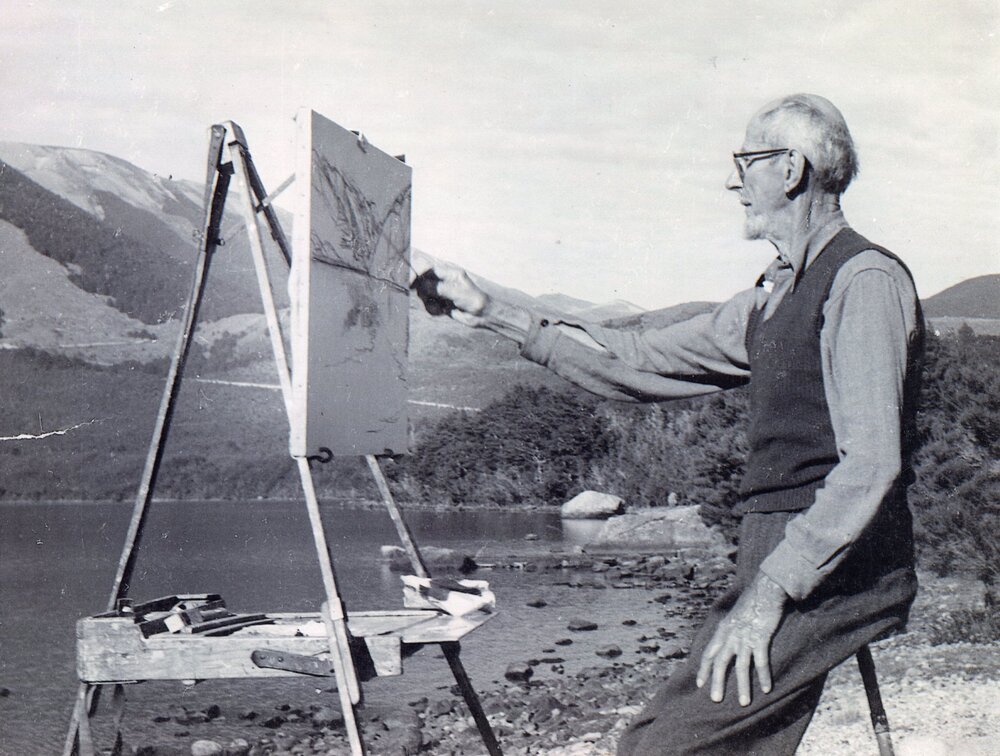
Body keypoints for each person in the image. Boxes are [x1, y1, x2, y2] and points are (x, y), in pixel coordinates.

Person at [412, 93, 924, 755]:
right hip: (789, 551)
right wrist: (492, 311)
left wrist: (767, 595)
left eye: (746, 162)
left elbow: (871, 465)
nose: (735, 184)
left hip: (832, 558)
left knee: (660, 747)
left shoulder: (864, 280)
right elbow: (639, 358)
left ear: (791, 169)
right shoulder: (772, 297)